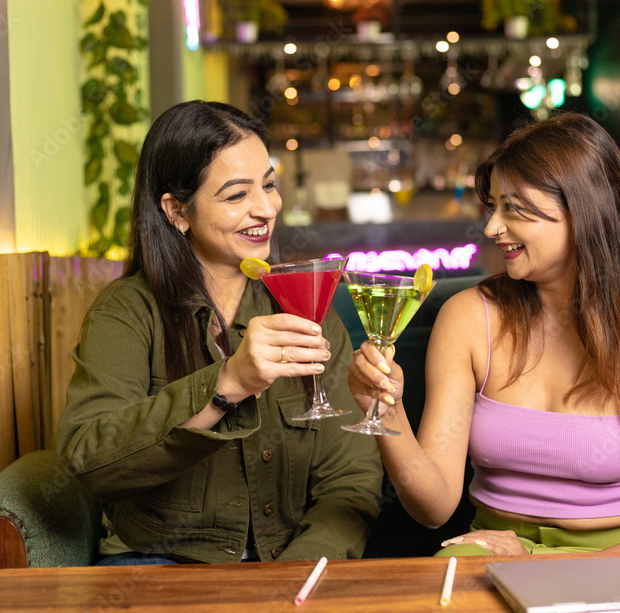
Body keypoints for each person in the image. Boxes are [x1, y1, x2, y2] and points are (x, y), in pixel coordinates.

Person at [347, 113, 620, 556]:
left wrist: (553, 573)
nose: (491, 228)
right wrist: (387, 416)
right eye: (493, 206)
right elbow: (434, 507)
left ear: (582, 212)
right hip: (496, 548)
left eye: (515, 208)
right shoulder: (469, 318)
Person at [56, 100, 383, 565]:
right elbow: (88, 460)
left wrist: (298, 572)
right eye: (236, 196)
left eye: (269, 185)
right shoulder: (127, 310)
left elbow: (351, 477)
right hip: (161, 565)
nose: (266, 209)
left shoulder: (304, 305)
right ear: (176, 211)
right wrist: (227, 385)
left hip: (290, 566)